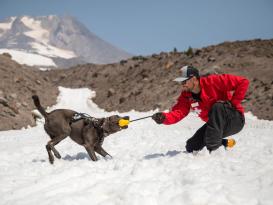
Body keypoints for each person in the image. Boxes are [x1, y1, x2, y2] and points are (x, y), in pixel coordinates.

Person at [152, 65, 249, 153]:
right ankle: (223, 142)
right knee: (191, 146)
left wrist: (232, 103)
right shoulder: (186, 95)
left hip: (234, 120)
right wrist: (164, 118)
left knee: (217, 107)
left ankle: (214, 151)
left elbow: (243, 82)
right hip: (214, 125)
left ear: (194, 79)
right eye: (181, 82)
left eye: (184, 81)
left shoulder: (213, 81)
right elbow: (179, 111)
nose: (182, 84)